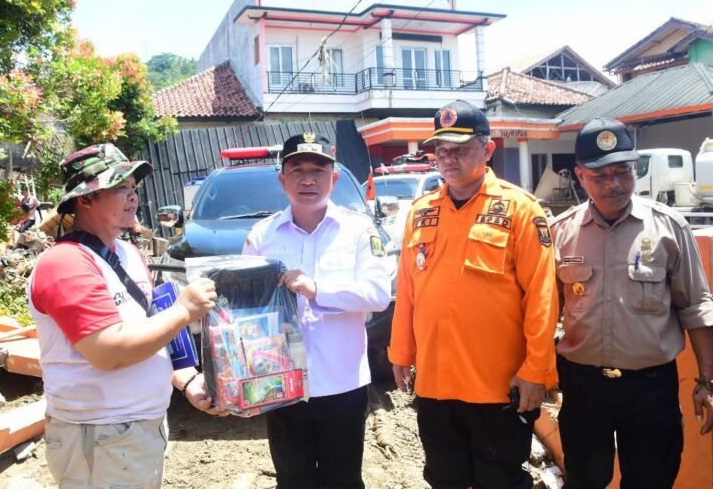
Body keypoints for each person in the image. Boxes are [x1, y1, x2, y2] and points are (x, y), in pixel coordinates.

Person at [27, 143, 222, 488]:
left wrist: (187, 379)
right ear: (85, 198)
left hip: (138, 429)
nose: (133, 197)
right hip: (99, 435)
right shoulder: (65, 263)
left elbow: (151, 323)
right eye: (120, 188)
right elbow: (108, 352)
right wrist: (184, 310)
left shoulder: (128, 253)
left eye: (133, 188)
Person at [388, 100, 559, 488]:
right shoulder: (421, 211)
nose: (448, 159)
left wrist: (536, 372)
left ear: (487, 149)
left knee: (498, 480)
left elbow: (542, 297)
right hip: (435, 383)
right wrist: (401, 352)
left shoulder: (519, 209)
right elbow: (408, 289)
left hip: (499, 386)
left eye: (460, 149)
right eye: (441, 151)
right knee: (445, 478)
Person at [549, 117, 713, 488]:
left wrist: (707, 381)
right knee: (585, 480)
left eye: (623, 172)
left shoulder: (669, 228)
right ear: (580, 176)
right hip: (583, 385)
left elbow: (697, 307)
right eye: (601, 175)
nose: (614, 184)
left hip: (651, 387)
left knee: (651, 480)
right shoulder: (561, 232)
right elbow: (544, 314)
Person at [242, 132, 392, 489]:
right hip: (282, 385)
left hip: (342, 382)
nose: (307, 179)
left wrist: (317, 290)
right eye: (297, 170)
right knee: (293, 480)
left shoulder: (358, 230)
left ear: (334, 178)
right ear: (282, 179)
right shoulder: (263, 235)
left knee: (343, 480)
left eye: (318, 170)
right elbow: (247, 308)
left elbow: (378, 294)